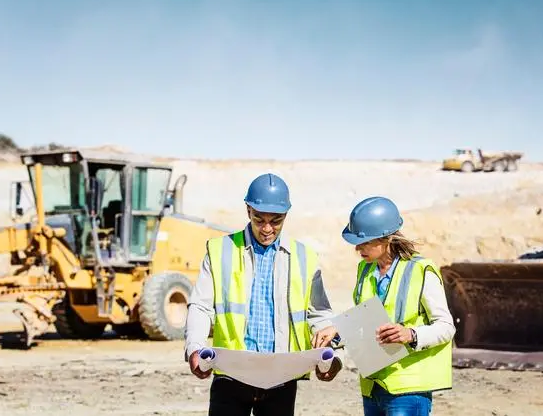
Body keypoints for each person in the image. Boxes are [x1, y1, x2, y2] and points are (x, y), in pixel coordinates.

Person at [184, 173, 343, 416]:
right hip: (231, 376)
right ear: (248, 210)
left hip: (281, 379)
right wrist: (194, 347)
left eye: (276, 221)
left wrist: (333, 355)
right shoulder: (220, 251)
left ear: (286, 216)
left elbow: (319, 316)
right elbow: (200, 306)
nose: (267, 229)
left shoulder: (305, 258)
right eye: (259, 219)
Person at [313, 196, 455, 416]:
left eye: (366, 241)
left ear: (387, 238)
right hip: (373, 386)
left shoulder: (421, 270)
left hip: (408, 388)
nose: (358, 247)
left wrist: (411, 334)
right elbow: (363, 321)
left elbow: (446, 327)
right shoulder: (365, 270)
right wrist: (338, 331)